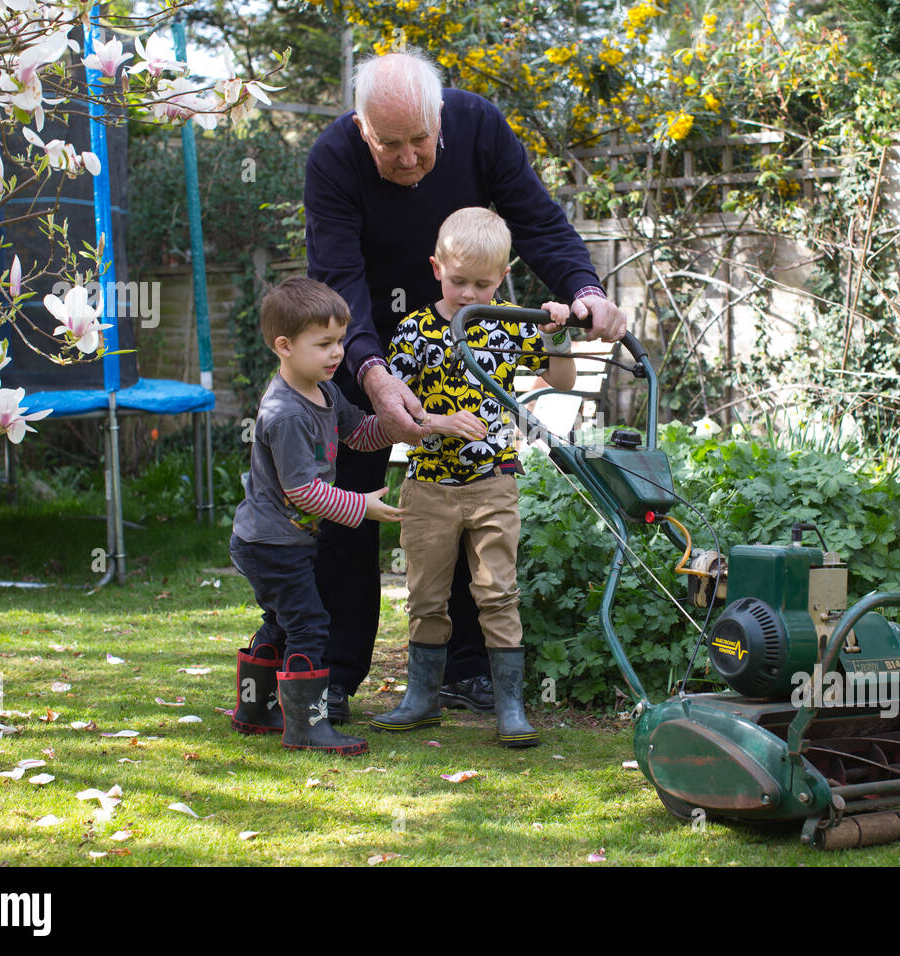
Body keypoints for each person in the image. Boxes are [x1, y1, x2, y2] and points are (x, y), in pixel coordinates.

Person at [303, 49, 627, 722]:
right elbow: (338, 276)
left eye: (420, 140)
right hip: (371, 345)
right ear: (361, 128)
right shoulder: (333, 160)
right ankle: (336, 670)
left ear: (439, 117)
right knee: (347, 503)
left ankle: (468, 671)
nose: (407, 157)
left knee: (470, 490)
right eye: (387, 144)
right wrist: (370, 372)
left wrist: (583, 290)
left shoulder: (478, 126)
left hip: (471, 342)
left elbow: (537, 221)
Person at [371, 207, 575, 747]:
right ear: (437, 268)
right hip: (428, 487)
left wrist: (555, 331)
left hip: (493, 483)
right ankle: (422, 699)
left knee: (497, 593)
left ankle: (511, 708)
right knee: (426, 596)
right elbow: (395, 411)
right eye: (459, 281)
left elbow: (562, 377)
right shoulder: (416, 330)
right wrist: (436, 421)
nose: (468, 293)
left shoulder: (508, 322)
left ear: (502, 275)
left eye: (483, 284)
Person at [228, 277, 404, 756]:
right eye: (324, 343)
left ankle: (255, 709)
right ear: (284, 346)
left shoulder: (323, 393)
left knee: (283, 621)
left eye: (341, 342)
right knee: (309, 624)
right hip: (269, 543)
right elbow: (302, 491)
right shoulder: (285, 413)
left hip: (281, 540)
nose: (337, 354)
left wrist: (398, 420)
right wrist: (361, 506)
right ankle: (306, 725)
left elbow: (361, 435)